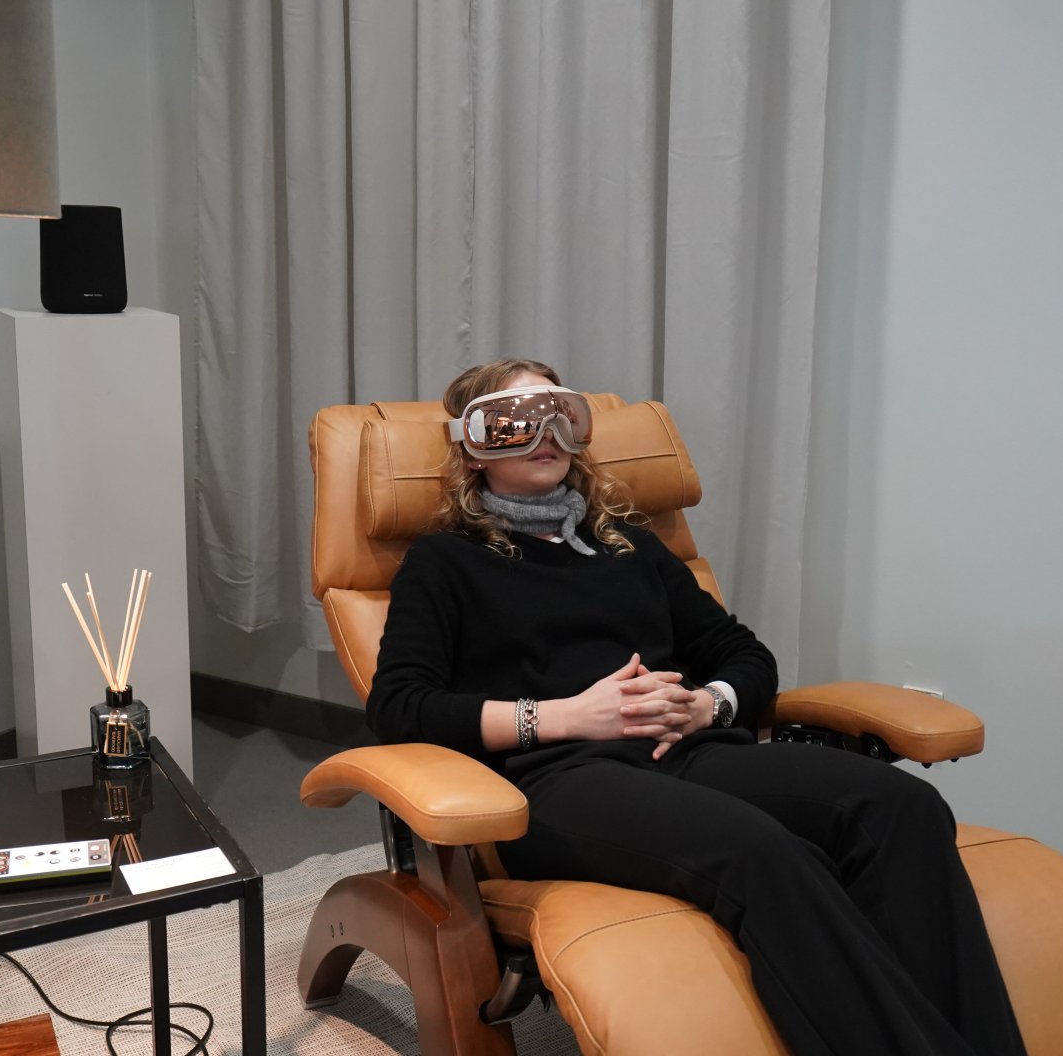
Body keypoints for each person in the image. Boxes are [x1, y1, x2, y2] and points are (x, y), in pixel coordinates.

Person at [366, 358, 1029, 1056]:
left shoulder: (631, 548)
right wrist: (565, 717)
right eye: (515, 421)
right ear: (474, 448)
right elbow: (401, 706)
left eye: (561, 415)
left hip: (688, 751)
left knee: (900, 806)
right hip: (556, 781)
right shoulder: (445, 562)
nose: (546, 434)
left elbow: (745, 656)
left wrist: (707, 705)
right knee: (763, 853)